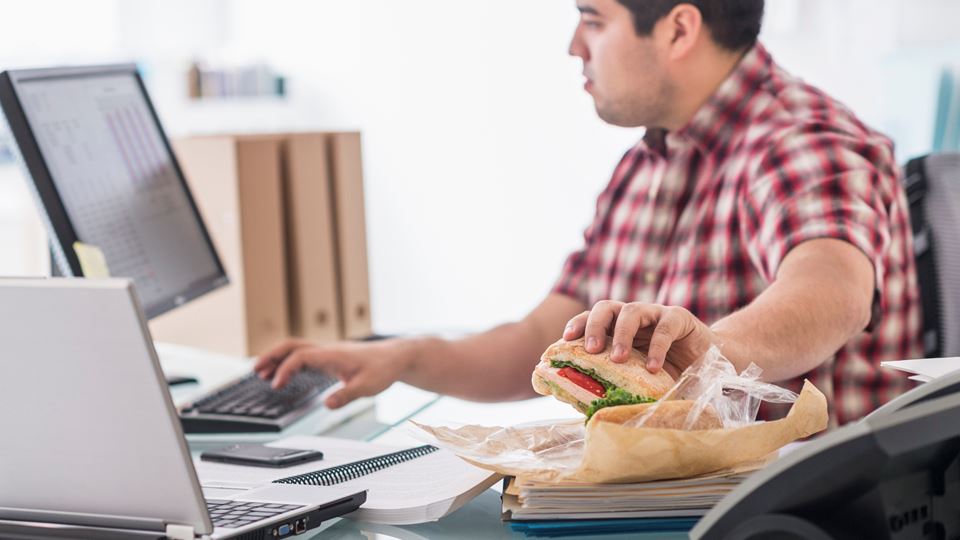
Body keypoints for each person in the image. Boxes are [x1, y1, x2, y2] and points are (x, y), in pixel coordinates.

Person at [255, 0, 922, 427]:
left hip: (797, 512)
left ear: (678, 28)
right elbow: (539, 343)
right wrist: (405, 356)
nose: (575, 45)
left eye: (593, 18)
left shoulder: (804, 140)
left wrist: (708, 351)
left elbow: (832, 293)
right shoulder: (647, 165)